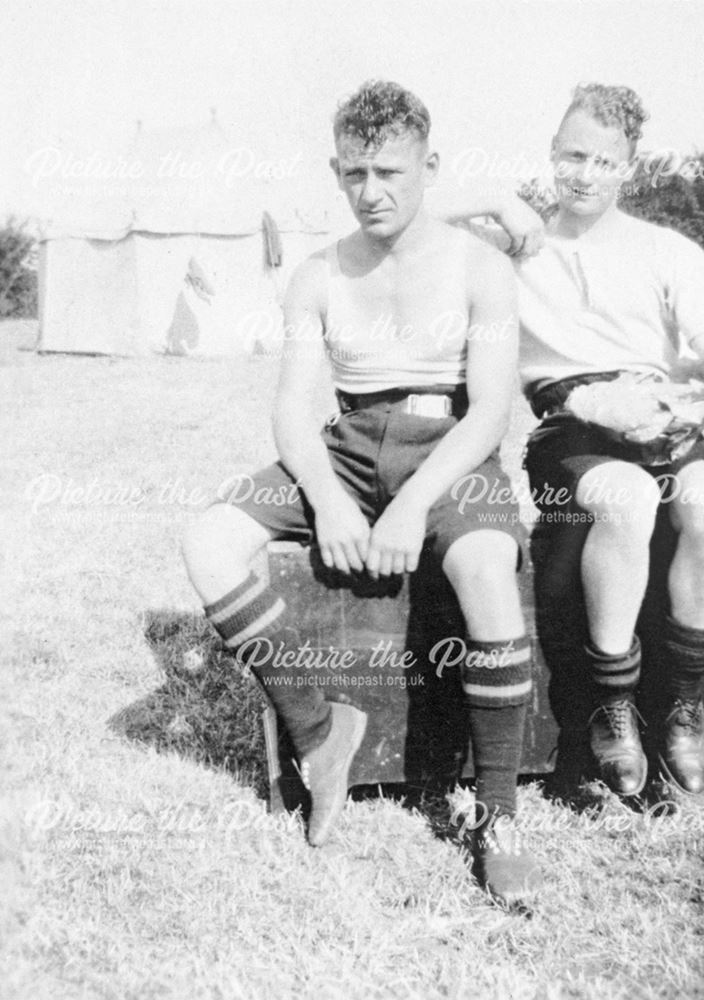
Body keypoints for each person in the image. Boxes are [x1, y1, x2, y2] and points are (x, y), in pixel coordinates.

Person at [182, 80, 541, 904]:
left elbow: (490, 407)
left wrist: (415, 504)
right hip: (346, 446)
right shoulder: (317, 274)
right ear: (335, 172)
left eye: (388, 172)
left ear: (429, 168)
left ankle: (498, 818)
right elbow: (292, 409)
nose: (370, 192)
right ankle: (317, 733)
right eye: (352, 173)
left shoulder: (478, 267)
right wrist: (332, 501)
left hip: (447, 449)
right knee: (207, 540)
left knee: (486, 565)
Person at [444, 83, 704, 797]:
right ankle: (611, 703)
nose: (584, 175)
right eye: (571, 156)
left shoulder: (663, 248)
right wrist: (497, 198)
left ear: (628, 168)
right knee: (625, 498)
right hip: (570, 425)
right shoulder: (516, 249)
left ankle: (681, 703)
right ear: (551, 156)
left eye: (602, 161)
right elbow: (407, 214)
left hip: (661, 416)